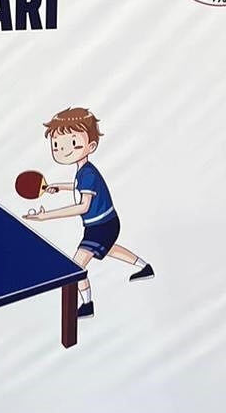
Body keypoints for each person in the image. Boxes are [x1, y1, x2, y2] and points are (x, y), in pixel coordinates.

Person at [23, 106, 153, 319]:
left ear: (91, 145)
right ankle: (145, 267)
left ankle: (87, 305)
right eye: (56, 145)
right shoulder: (84, 172)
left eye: (72, 143)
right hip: (105, 223)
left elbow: (83, 206)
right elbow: (78, 186)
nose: (62, 149)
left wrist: (47, 216)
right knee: (110, 250)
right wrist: (58, 187)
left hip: (101, 226)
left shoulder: (88, 174)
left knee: (75, 267)